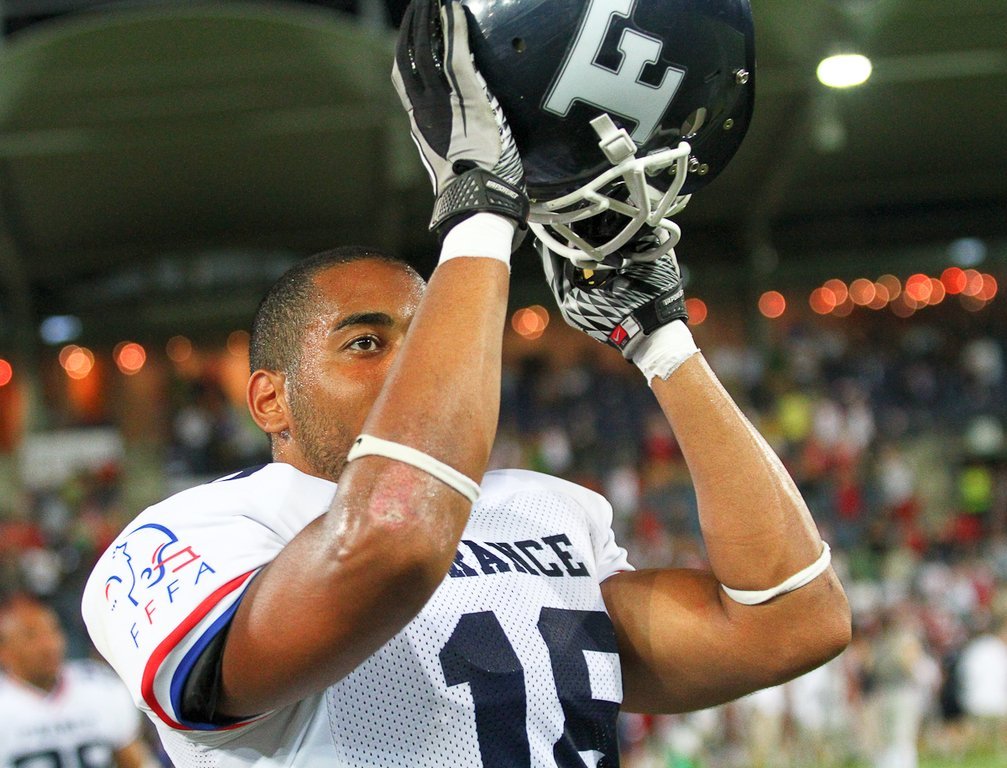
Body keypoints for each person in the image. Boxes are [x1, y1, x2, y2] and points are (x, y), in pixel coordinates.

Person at [81, 0, 851, 765]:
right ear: (268, 399)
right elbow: (394, 542)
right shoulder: (186, 538)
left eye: (425, 338)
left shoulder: (544, 511)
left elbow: (793, 624)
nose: (414, 364)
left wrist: (660, 339)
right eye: (364, 343)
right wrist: (478, 209)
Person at [0, 594, 157, 768]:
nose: (48, 644)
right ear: (3, 650)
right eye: (31, 636)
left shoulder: (99, 686)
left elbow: (135, 762)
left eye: (52, 630)